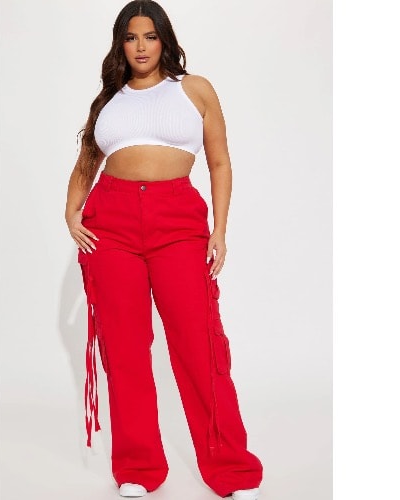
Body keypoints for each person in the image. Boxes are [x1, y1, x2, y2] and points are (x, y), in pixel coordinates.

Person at [65, 1, 263, 498]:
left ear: (164, 40)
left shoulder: (193, 89)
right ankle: (137, 468)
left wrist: (220, 230)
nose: (141, 47)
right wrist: (72, 212)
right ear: (120, 44)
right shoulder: (109, 100)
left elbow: (219, 161)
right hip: (110, 225)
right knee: (125, 350)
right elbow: (88, 158)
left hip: (177, 222)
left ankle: (231, 470)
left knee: (199, 346)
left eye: (150, 37)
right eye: (131, 38)